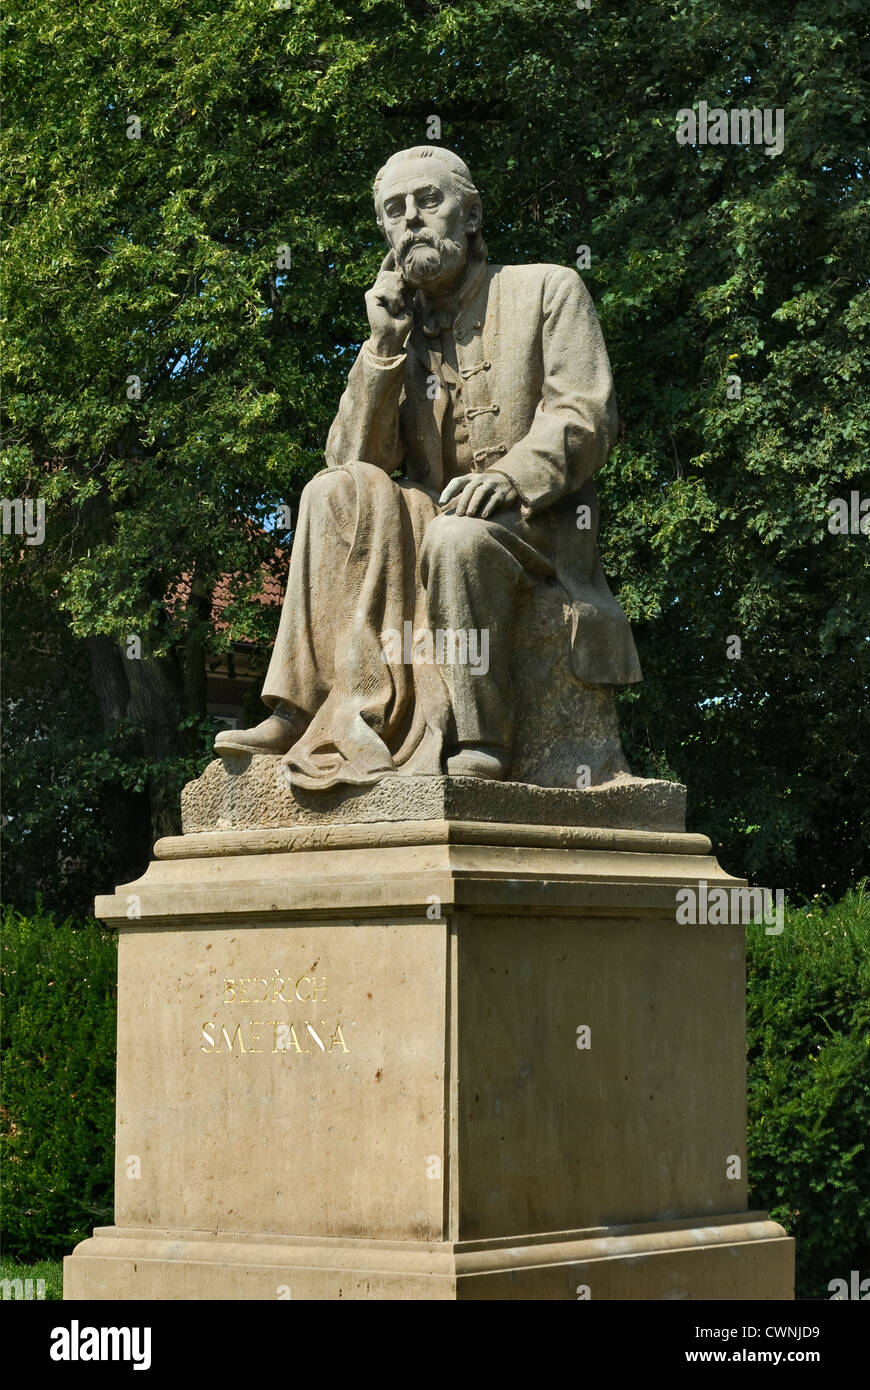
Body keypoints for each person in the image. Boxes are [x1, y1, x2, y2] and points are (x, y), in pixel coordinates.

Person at [215, 146, 640, 789]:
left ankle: (484, 741)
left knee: (456, 537)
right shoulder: (398, 331)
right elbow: (352, 465)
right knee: (330, 492)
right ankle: (299, 708)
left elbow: (584, 415)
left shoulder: (548, 287)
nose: (411, 219)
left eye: (428, 201)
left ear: (469, 217)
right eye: (394, 210)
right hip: (431, 512)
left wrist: (509, 478)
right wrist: (383, 347)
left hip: (538, 523)